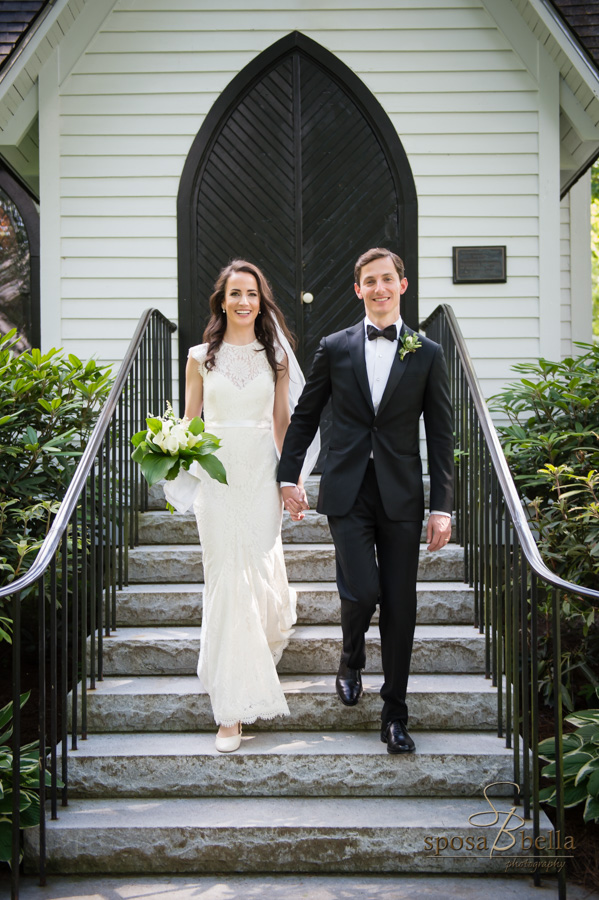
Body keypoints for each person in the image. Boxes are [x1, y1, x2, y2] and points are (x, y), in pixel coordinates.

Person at [278, 247, 454, 754]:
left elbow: (441, 435)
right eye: (368, 282)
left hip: (402, 495)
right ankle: (350, 657)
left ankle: (395, 713)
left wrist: (442, 506)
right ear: (358, 290)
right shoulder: (335, 347)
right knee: (363, 588)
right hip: (347, 490)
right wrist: (288, 476)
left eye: (386, 280)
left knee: (401, 605)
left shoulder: (427, 353)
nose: (378, 289)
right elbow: (306, 415)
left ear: (403, 285)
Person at [182, 259, 311, 753]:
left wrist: (290, 481)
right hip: (215, 476)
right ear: (222, 300)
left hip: (259, 472)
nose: (243, 302)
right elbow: (191, 421)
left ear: (262, 301)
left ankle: (253, 646)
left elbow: (282, 425)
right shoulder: (199, 357)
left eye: (252, 295)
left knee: (255, 566)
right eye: (235, 294)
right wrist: (171, 455)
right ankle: (230, 710)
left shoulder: (275, 357)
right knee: (226, 576)